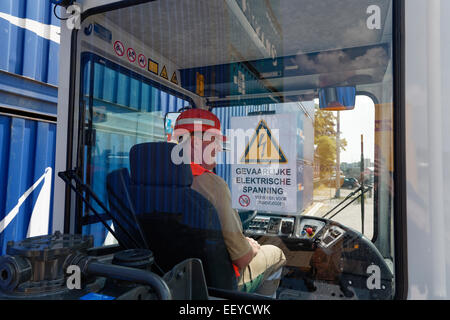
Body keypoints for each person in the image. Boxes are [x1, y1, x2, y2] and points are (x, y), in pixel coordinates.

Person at [173, 108, 286, 297]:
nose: (218, 148)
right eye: (214, 142)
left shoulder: (148, 182)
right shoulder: (211, 184)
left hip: (170, 276)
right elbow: (242, 258)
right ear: (194, 143)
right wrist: (251, 247)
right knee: (276, 253)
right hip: (217, 281)